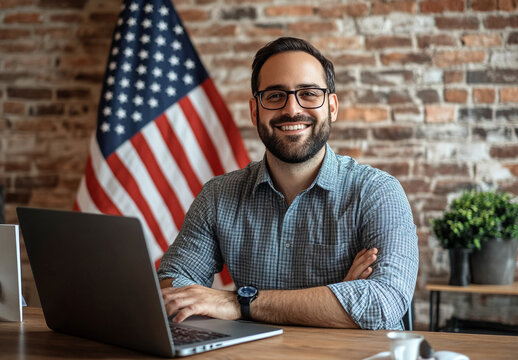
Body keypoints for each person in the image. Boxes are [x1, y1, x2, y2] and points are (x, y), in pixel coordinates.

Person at [158, 37, 418, 330]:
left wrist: (239, 303)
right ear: (255, 110)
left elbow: (382, 303)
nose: (292, 109)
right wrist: (335, 302)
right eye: (274, 95)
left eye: (308, 93)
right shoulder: (218, 196)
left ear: (332, 107)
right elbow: (172, 288)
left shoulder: (377, 192)